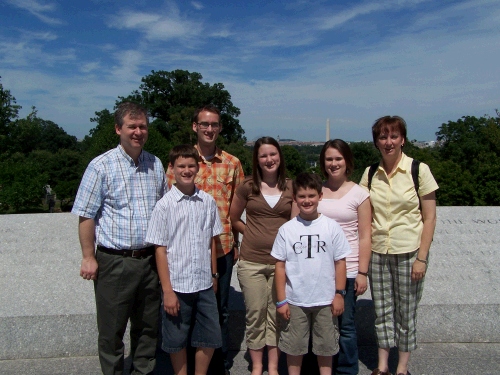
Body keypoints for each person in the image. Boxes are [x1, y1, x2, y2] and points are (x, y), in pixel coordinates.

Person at [72, 102, 167, 375]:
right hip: (115, 262)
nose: (138, 132)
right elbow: (86, 215)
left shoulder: (155, 163)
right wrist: (88, 257)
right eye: (132, 126)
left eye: (143, 127)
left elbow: (163, 209)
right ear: (118, 129)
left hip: (149, 260)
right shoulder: (100, 166)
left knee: (148, 327)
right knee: (112, 329)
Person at [166, 105, 244, 375]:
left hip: (221, 249)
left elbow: (237, 205)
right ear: (195, 127)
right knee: (184, 314)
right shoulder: (182, 162)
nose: (209, 129)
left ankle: (215, 366)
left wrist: (237, 242)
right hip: (185, 254)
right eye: (204, 124)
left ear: (220, 128)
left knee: (219, 311)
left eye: (215, 124)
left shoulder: (232, 163)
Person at [359, 116, 438, 375]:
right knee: (381, 313)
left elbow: (429, 217)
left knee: (406, 314)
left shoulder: (419, 170)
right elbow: (359, 212)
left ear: (403, 139)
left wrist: (422, 258)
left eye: (393, 136)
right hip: (378, 252)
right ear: (376, 142)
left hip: (409, 252)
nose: (388, 142)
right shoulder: (370, 173)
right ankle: (382, 367)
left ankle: (402, 368)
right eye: (383, 137)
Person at [146, 144, 223, 375]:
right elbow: (160, 249)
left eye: (191, 165)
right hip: (177, 285)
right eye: (181, 166)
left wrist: (214, 274)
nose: (187, 170)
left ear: (198, 168)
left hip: (204, 283)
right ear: (172, 168)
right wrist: (167, 290)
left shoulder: (207, 202)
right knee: (176, 338)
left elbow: (211, 241)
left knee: (209, 337)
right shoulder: (164, 206)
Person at [230, 136, 299, 375]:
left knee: (277, 316)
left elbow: (296, 224)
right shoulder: (248, 186)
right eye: (263, 156)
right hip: (252, 262)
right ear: (257, 160)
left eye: (273, 154)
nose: (269, 159)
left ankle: (273, 366)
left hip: (281, 263)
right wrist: (251, 232)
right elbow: (234, 218)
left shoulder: (291, 187)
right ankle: (257, 366)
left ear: (280, 156)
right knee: (255, 314)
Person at [271, 172, 351, 375]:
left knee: (326, 347)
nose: (307, 201)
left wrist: (339, 293)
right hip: (296, 300)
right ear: (295, 199)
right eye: (302, 196)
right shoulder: (287, 229)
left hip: (325, 300)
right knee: (294, 347)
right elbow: (279, 266)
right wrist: (281, 300)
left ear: (320, 196)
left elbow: (340, 262)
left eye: (311, 196)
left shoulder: (331, 227)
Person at [317, 139, 371, 375]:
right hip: (318, 269)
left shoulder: (360, 193)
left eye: (338, 158)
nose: (333, 163)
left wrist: (362, 272)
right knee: (320, 324)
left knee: (346, 325)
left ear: (347, 161)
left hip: (348, 270)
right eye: (329, 159)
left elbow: (365, 236)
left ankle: (347, 370)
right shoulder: (316, 190)